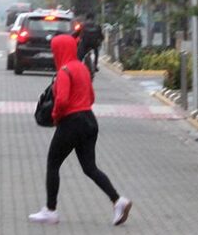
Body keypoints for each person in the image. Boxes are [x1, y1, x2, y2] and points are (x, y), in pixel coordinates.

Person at [29, 34, 131, 226]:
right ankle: (118, 201)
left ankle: (50, 211)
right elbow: (91, 97)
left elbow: (62, 101)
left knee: (53, 163)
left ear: (60, 50)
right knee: (90, 167)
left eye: (55, 50)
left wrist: (56, 117)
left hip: (71, 122)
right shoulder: (82, 68)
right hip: (89, 120)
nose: (54, 54)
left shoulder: (64, 71)